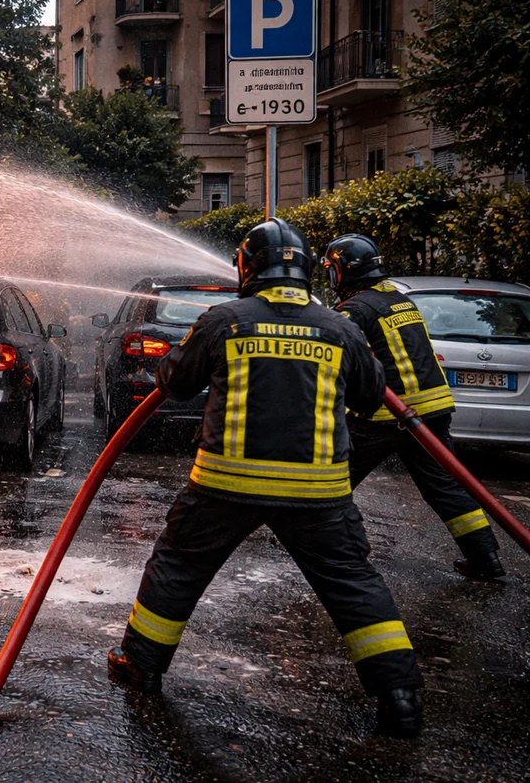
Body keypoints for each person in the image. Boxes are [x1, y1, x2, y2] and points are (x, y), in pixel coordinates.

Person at [107, 218, 425, 737]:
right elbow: (372, 397)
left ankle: (140, 667)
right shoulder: (340, 328)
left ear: (247, 267)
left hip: (225, 485)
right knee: (352, 583)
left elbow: (175, 382)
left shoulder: (224, 321)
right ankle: (400, 697)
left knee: (179, 567)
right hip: (318, 493)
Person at [322, 234, 503, 580]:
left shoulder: (355, 309)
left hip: (386, 415)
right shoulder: (400, 300)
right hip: (432, 408)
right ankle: (485, 558)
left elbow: (338, 360)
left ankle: (319, 544)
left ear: (344, 271)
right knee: (446, 486)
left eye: (332, 269)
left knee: (332, 477)